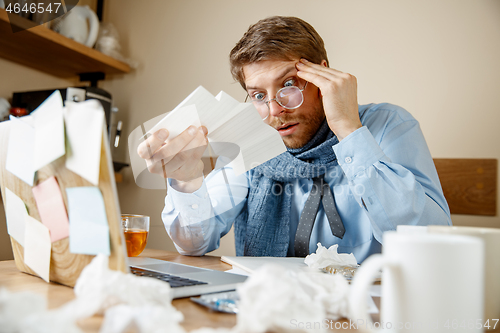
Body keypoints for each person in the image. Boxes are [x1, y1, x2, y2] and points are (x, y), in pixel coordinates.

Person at [137, 16, 451, 262]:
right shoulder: (252, 142)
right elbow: (194, 242)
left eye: (288, 84)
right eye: (259, 95)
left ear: (322, 76)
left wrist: (350, 132)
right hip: (274, 309)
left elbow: (429, 239)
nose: (275, 111)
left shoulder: (387, 125)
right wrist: (187, 180)